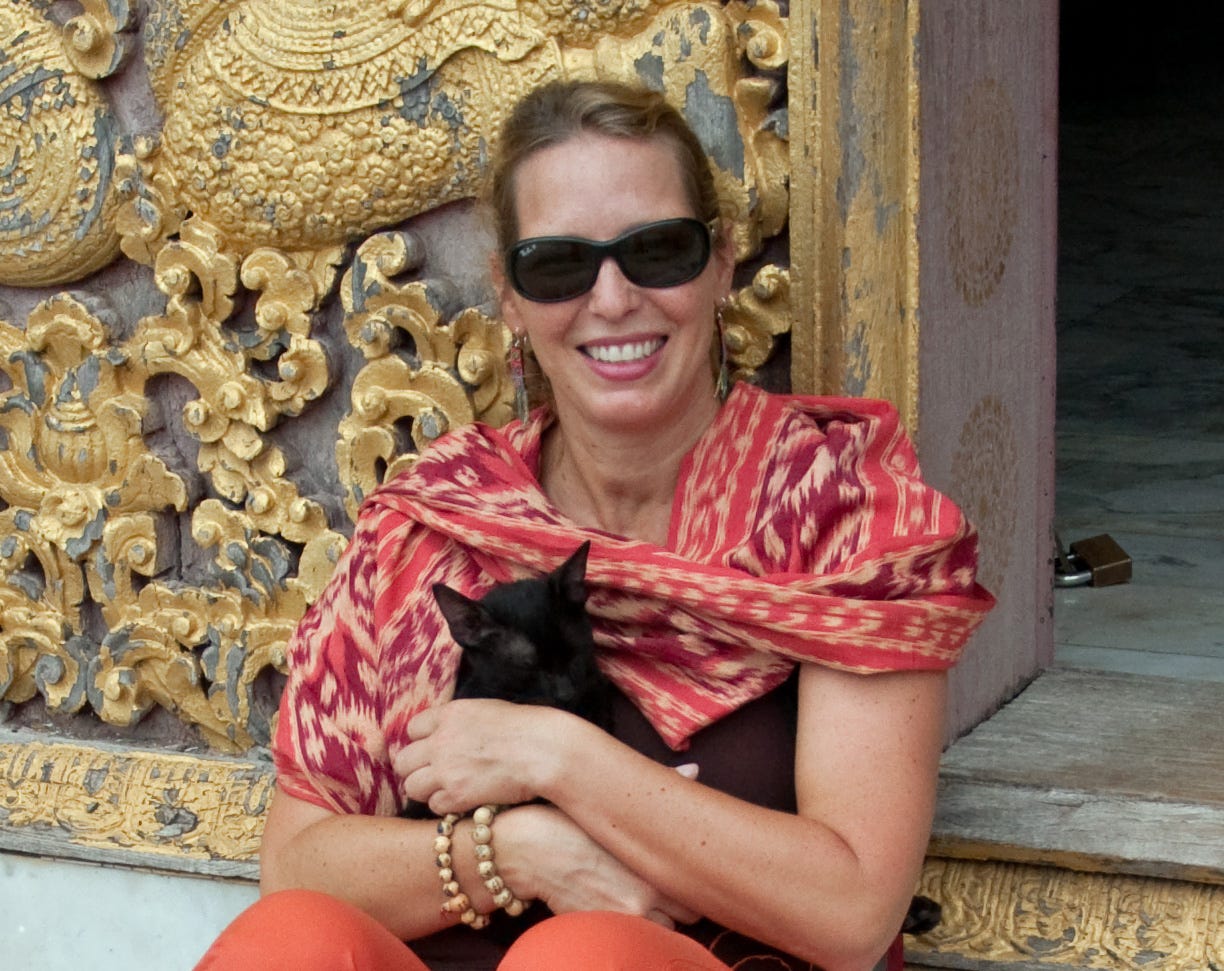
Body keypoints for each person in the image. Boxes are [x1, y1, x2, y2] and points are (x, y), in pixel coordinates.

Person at [196, 79, 994, 971]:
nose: (612, 300)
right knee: (289, 943)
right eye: (560, 265)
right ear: (509, 293)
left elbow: (850, 913)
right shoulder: (436, 519)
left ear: (722, 260)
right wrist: (521, 852)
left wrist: (558, 755)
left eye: (657, 251)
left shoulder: (840, 517)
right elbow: (297, 861)